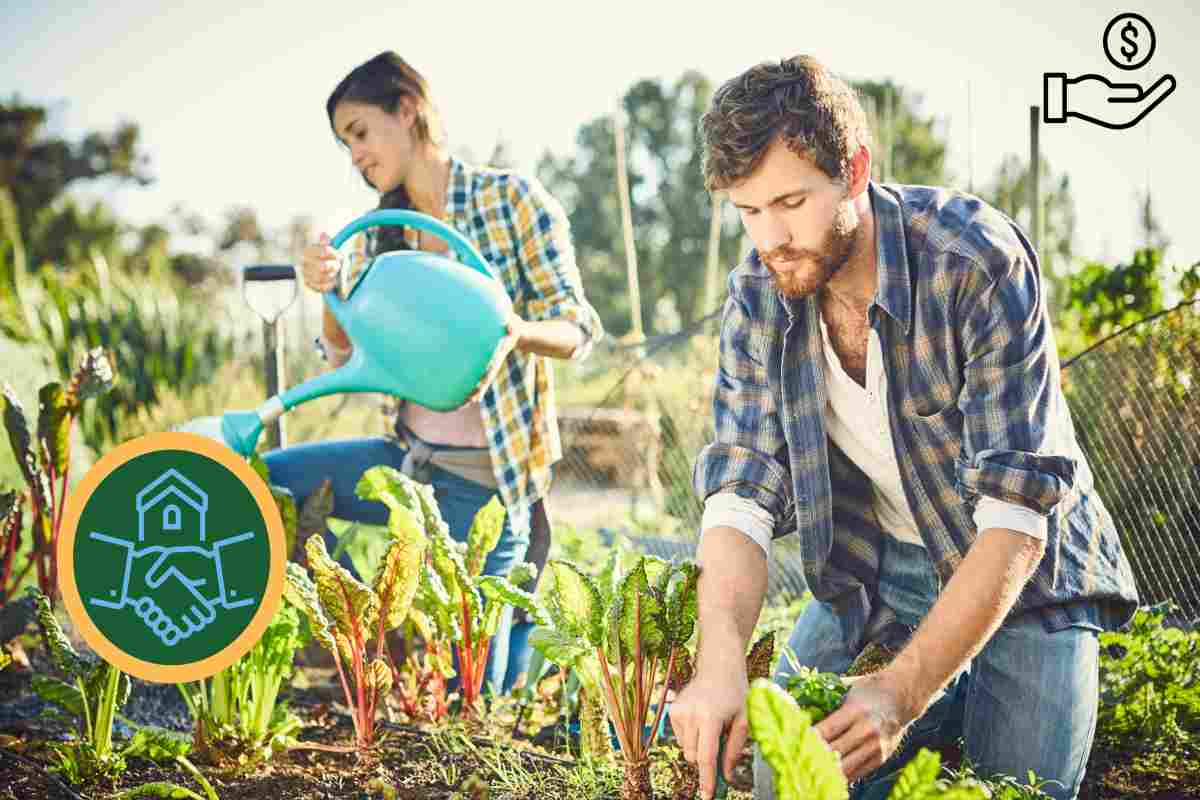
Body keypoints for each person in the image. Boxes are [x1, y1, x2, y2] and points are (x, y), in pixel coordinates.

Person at [667, 55, 1139, 800]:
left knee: (1013, 789)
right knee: (774, 776)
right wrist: (719, 659)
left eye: (790, 202)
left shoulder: (972, 261)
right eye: (748, 211)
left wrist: (903, 690)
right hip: (881, 568)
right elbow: (739, 496)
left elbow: (1017, 517)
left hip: (1025, 578)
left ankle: (950, 701)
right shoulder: (760, 293)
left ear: (854, 170)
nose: (770, 238)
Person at [266, 51, 603, 697]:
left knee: (473, 694)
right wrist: (327, 291)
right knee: (269, 485)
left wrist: (516, 334)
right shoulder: (377, 236)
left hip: (490, 481)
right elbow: (341, 357)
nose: (356, 155)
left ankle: (494, 682)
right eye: (345, 144)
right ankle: (369, 630)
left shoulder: (512, 201)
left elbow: (578, 328)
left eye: (360, 132)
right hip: (406, 462)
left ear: (408, 109)